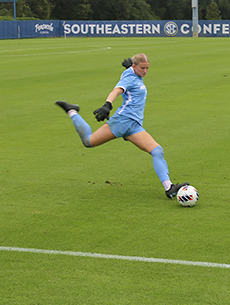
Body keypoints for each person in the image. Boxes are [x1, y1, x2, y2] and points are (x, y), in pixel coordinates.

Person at [55, 53, 189, 199]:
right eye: (142, 68)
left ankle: (168, 187)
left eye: (147, 68)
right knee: (88, 142)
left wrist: (129, 67)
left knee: (157, 151)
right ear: (134, 66)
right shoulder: (130, 78)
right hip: (122, 121)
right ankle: (72, 111)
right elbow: (116, 90)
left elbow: (130, 71)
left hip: (135, 126)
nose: (145, 71)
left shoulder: (131, 72)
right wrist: (107, 105)